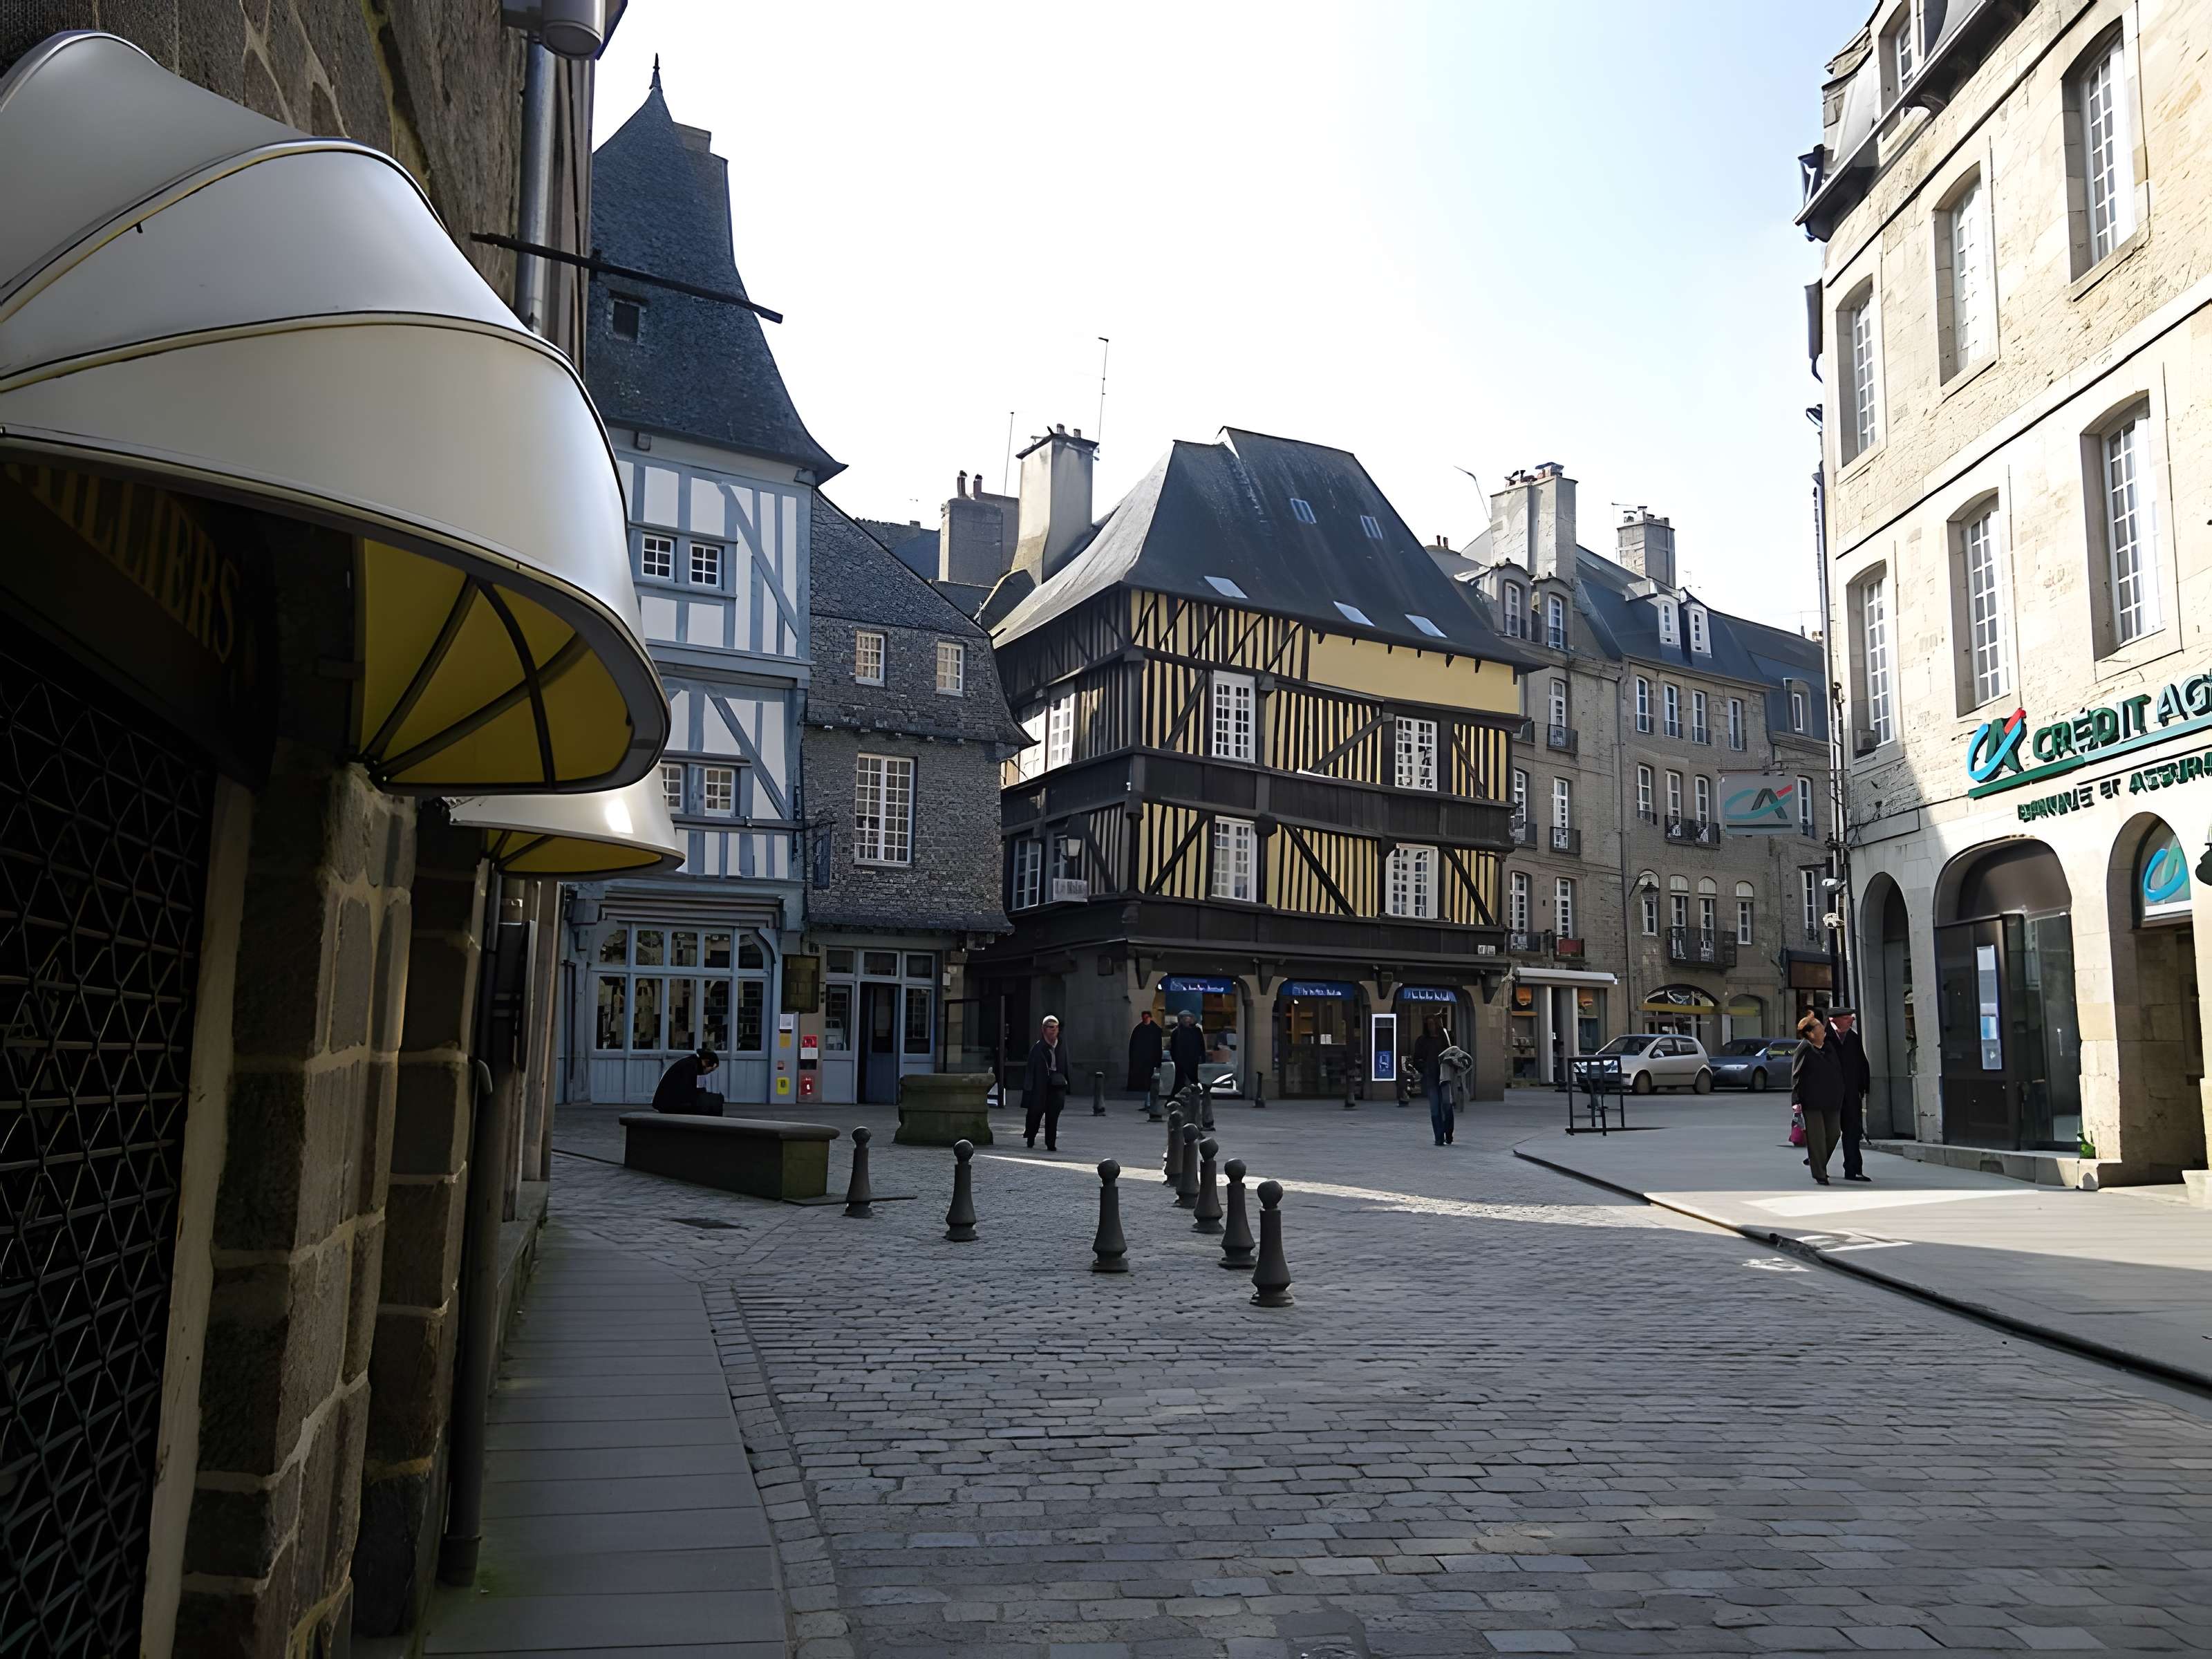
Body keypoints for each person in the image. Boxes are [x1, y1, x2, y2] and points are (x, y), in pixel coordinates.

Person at [1790, 1012, 1847, 1185]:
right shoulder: (1805, 1049)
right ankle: (1820, 1173)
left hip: (1832, 1100)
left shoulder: (1829, 1047)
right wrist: (1796, 1101)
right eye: (1820, 1029)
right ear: (1810, 1033)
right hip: (1812, 1101)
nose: (1824, 1031)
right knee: (1817, 1138)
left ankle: (1817, 1160)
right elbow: (1796, 1076)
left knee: (1834, 1134)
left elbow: (1838, 1071)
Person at [1827, 1008, 1873, 1183]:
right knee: (1828, 1133)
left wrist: (1863, 1087)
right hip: (1829, 1095)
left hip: (1851, 1094)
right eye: (1847, 1018)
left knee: (1853, 1131)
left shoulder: (1853, 1038)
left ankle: (1854, 1170)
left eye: (1852, 1018)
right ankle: (1818, 1165)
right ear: (1834, 1020)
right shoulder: (1823, 1037)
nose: (1851, 1021)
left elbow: (1862, 1063)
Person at [1022, 1014, 1072, 1150]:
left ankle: (1051, 1144)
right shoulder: (1038, 1048)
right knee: (1035, 1114)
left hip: (1057, 1086)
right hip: (1040, 1087)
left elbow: (1066, 1065)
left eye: (1055, 1027)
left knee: (1053, 1116)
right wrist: (1029, 1089)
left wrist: (1067, 1084)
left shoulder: (1061, 1046)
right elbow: (1030, 1070)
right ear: (1044, 1029)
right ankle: (1031, 1138)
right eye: (1050, 1027)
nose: (1053, 1030)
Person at [1412, 1015, 1452, 1146]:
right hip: (1431, 1077)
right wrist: (1425, 1068)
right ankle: (1439, 1137)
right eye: (1429, 1024)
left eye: (1433, 1024)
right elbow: (1417, 1059)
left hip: (1444, 1076)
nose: (1431, 1027)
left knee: (1447, 1105)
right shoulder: (1422, 1041)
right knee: (1435, 1108)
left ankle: (1448, 1133)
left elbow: (1452, 1053)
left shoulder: (1444, 1039)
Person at [651, 1045, 722, 1116]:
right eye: (711, 1070)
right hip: (667, 1104)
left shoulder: (695, 1064)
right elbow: (695, 1092)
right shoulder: (691, 1065)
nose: (709, 1073)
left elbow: (701, 1091)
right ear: (707, 1062)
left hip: (667, 1103)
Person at [1168, 1009, 1207, 1094]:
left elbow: (1202, 1045)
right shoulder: (1176, 1032)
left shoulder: (1197, 1031)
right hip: (1181, 1060)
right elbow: (1173, 1048)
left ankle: (1194, 1095)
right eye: (1184, 1018)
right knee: (1180, 1080)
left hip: (1194, 1060)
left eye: (1188, 1017)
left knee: (1194, 1080)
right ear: (1181, 1019)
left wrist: (1202, 1057)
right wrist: (1175, 1059)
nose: (1187, 1020)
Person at [1126, 1009, 1165, 1092]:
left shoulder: (1156, 1030)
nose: (1145, 1019)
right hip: (1140, 1057)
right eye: (1144, 1017)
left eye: (1147, 1017)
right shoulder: (1138, 1029)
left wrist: (1158, 1059)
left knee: (1150, 1074)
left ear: (1150, 1018)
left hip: (1151, 1057)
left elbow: (1158, 1045)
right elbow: (1133, 1045)